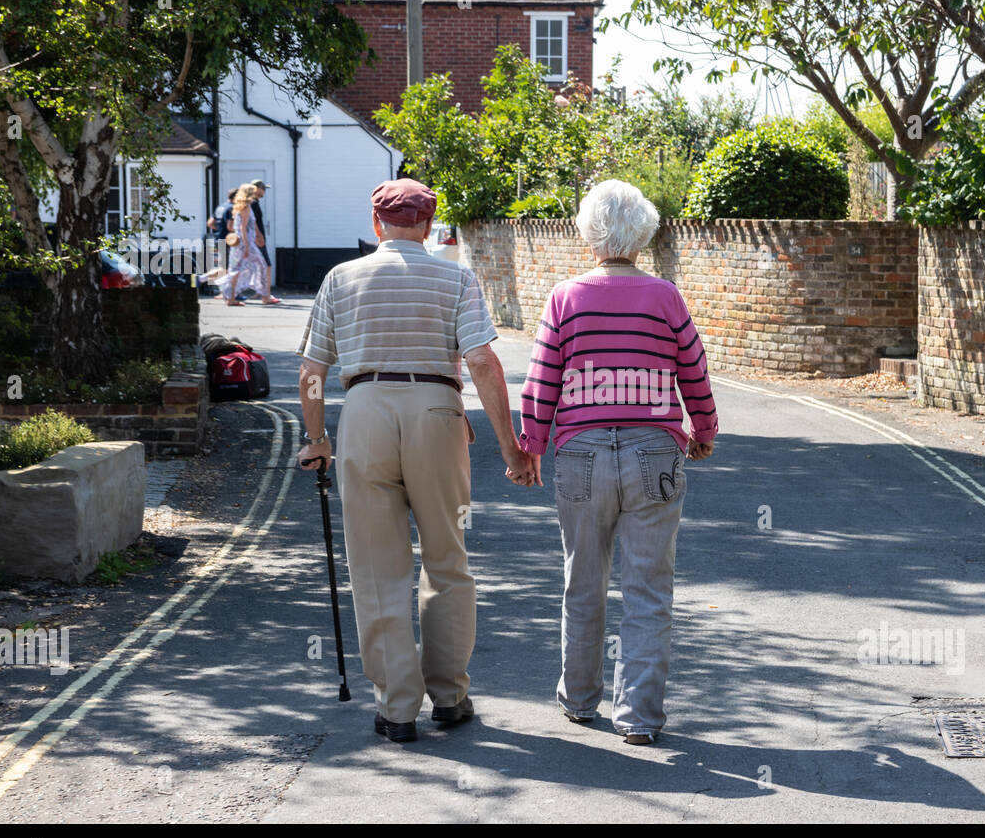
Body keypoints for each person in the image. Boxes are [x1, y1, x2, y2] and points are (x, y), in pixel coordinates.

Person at [296, 178, 538, 744]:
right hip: (437, 411)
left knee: (378, 568)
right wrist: (510, 446)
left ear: (377, 224)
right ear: (429, 226)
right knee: (447, 558)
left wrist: (316, 440)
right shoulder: (455, 276)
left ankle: (397, 708)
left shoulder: (341, 278)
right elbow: (480, 361)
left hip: (364, 412)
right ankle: (449, 696)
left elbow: (312, 371)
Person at [517, 179, 718, 745]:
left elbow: (542, 379)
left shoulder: (565, 297)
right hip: (654, 450)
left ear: (589, 231)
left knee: (582, 581)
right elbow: (694, 371)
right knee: (648, 588)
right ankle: (640, 718)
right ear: (644, 232)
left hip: (580, 453)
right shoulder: (665, 297)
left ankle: (580, 700)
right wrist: (702, 430)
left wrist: (532, 446)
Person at [225, 183, 279, 306]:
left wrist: (258, 236)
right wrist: (247, 246)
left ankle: (231, 297)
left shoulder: (240, 207)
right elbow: (243, 228)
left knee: (235, 270)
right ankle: (265, 296)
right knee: (262, 265)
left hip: (242, 243)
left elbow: (249, 225)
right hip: (246, 243)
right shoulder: (246, 207)